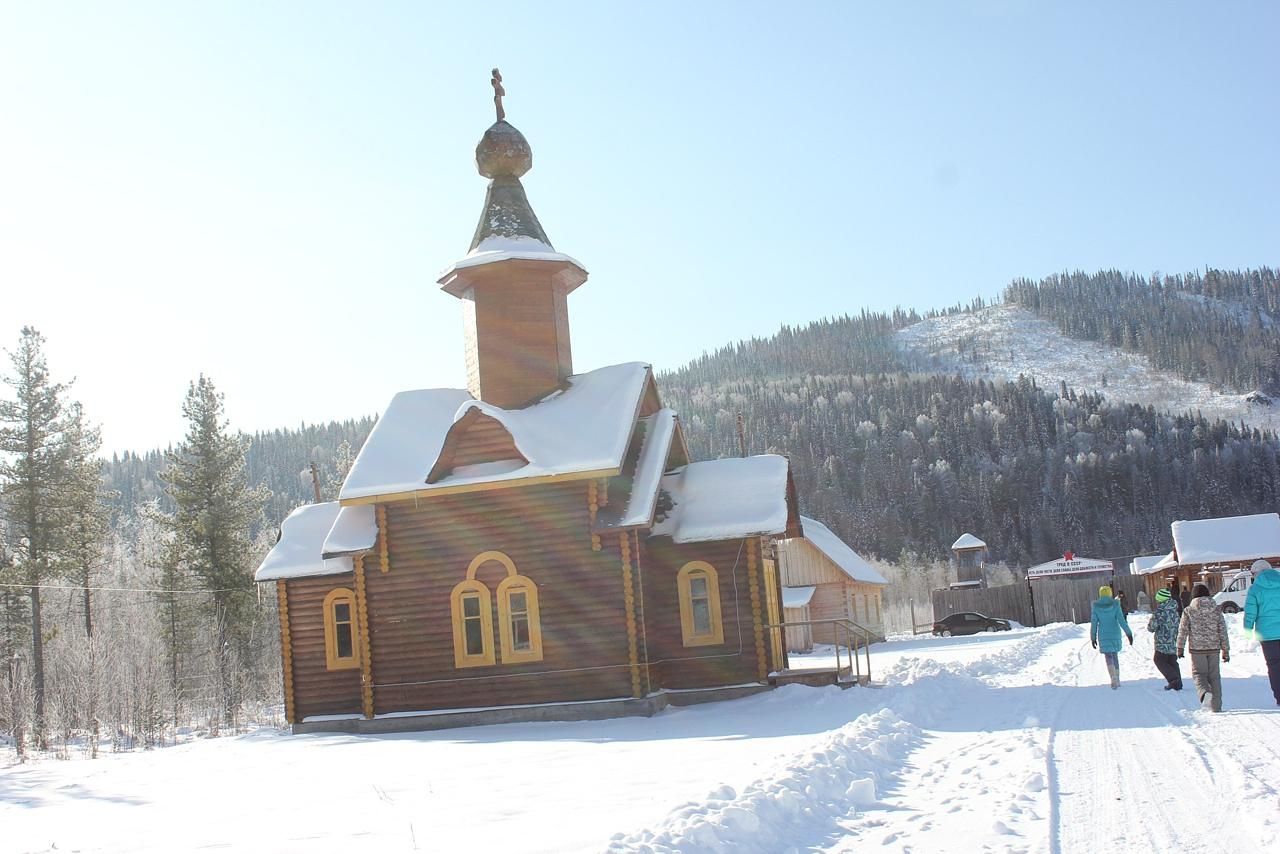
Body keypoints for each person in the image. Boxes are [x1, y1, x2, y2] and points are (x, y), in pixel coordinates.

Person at [1177, 583, 1229, 712]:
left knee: (1199, 674)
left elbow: (1183, 631)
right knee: (1215, 677)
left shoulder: (1188, 610)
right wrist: (1225, 650)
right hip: (1214, 648)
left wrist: (1180, 648)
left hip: (1197, 649)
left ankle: (1205, 693)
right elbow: (1222, 630)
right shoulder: (1216, 610)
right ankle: (1216, 707)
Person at [1243, 559, 1280, 706]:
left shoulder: (1255, 588)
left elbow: (1250, 612)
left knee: (1274, 665)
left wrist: (1247, 630)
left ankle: (1279, 696)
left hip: (1267, 635)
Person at [1091, 585, 1134, 689]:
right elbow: (1121, 620)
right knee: (1114, 655)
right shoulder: (1115, 605)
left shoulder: (1096, 607)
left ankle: (1113, 676)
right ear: (1110, 593)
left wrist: (1093, 637)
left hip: (1103, 634)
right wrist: (1129, 633)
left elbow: (1094, 623)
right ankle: (1117, 678)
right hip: (1115, 633)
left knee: (1108, 656)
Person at [1147, 587, 1183, 690]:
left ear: (1160, 599)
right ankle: (1178, 682)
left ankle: (1173, 680)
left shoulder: (1160, 611)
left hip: (1162, 642)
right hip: (1173, 640)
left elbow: (1151, 628)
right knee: (1172, 661)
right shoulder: (1175, 609)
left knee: (1159, 660)